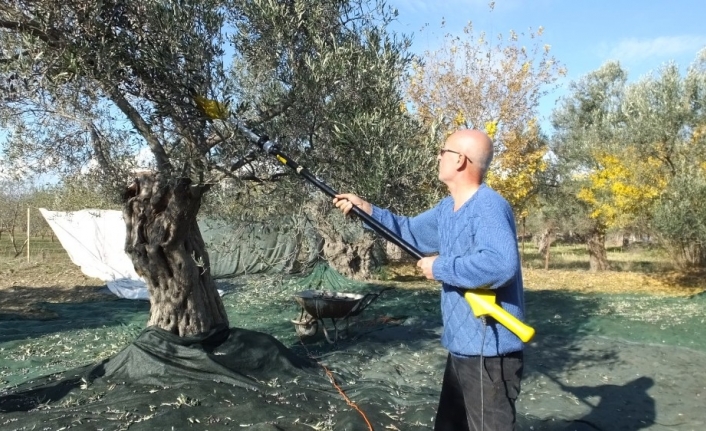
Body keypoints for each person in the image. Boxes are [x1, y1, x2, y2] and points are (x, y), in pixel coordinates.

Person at [333, 129, 525, 431]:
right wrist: (367, 210)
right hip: (462, 348)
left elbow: (500, 265)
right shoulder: (447, 210)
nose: (438, 156)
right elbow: (408, 231)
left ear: (460, 160)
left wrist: (442, 267)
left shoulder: (488, 206)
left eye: (443, 151)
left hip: (489, 355)